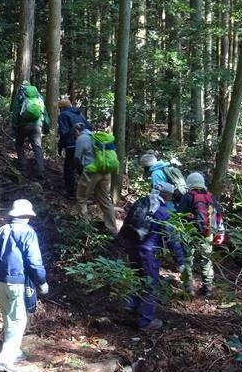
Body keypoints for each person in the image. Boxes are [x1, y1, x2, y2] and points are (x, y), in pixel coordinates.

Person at [0, 199, 48, 372]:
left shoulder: (1, 230)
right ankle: (5, 360)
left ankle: (16, 351)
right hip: (16, 281)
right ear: (27, 216)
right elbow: (34, 261)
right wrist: (42, 281)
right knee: (18, 321)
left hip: (0, 281)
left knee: (9, 317)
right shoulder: (27, 232)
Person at [117, 182, 187, 330]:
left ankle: (131, 305)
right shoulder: (162, 212)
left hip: (132, 247)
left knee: (137, 277)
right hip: (148, 252)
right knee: (151, 285)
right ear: (167, 196)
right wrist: (180, 260)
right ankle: (145, 321)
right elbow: (172, 238)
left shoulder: (142, 202)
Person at [176, 172, 225, 296]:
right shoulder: (210, 196)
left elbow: (179, 215)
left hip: (190, 232)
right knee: (206, 260)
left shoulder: (188, 196)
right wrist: (220, 231)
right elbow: (218, 215)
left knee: (187, 260)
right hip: (208, 232)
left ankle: (188, 289)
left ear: (190, 183)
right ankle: (208, 287)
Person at [73, 123, 118, 235]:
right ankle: (112, 229)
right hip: (106, 172)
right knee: (105, 200)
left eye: (75, 133)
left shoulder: (81, 138)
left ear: (77, 131)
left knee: (82, 198)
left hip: (91, 172)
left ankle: (85, 229)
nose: (75, 135)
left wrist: (78, 172)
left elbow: (77, 158)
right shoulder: (95, 137)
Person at [11, 82, 51, 177]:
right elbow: (44, 113)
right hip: (37, 125)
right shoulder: (39, 97)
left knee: (19, 143)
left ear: (23, 87)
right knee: (37, 147)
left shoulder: (21, 96)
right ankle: (40, 170)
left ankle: (22, 166)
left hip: (24, 125)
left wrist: (14, 126)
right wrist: (46, 126)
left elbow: (16, 112)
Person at [56, 99, 92, 199]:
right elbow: (89, 127)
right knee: (81, 168)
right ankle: (87, 193)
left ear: (61, 108)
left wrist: (60, 146)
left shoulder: (63, 115)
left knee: (69, 168)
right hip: (85, 143)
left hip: (72, 145)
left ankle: (71, 193)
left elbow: (64, 134)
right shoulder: (79, 114)